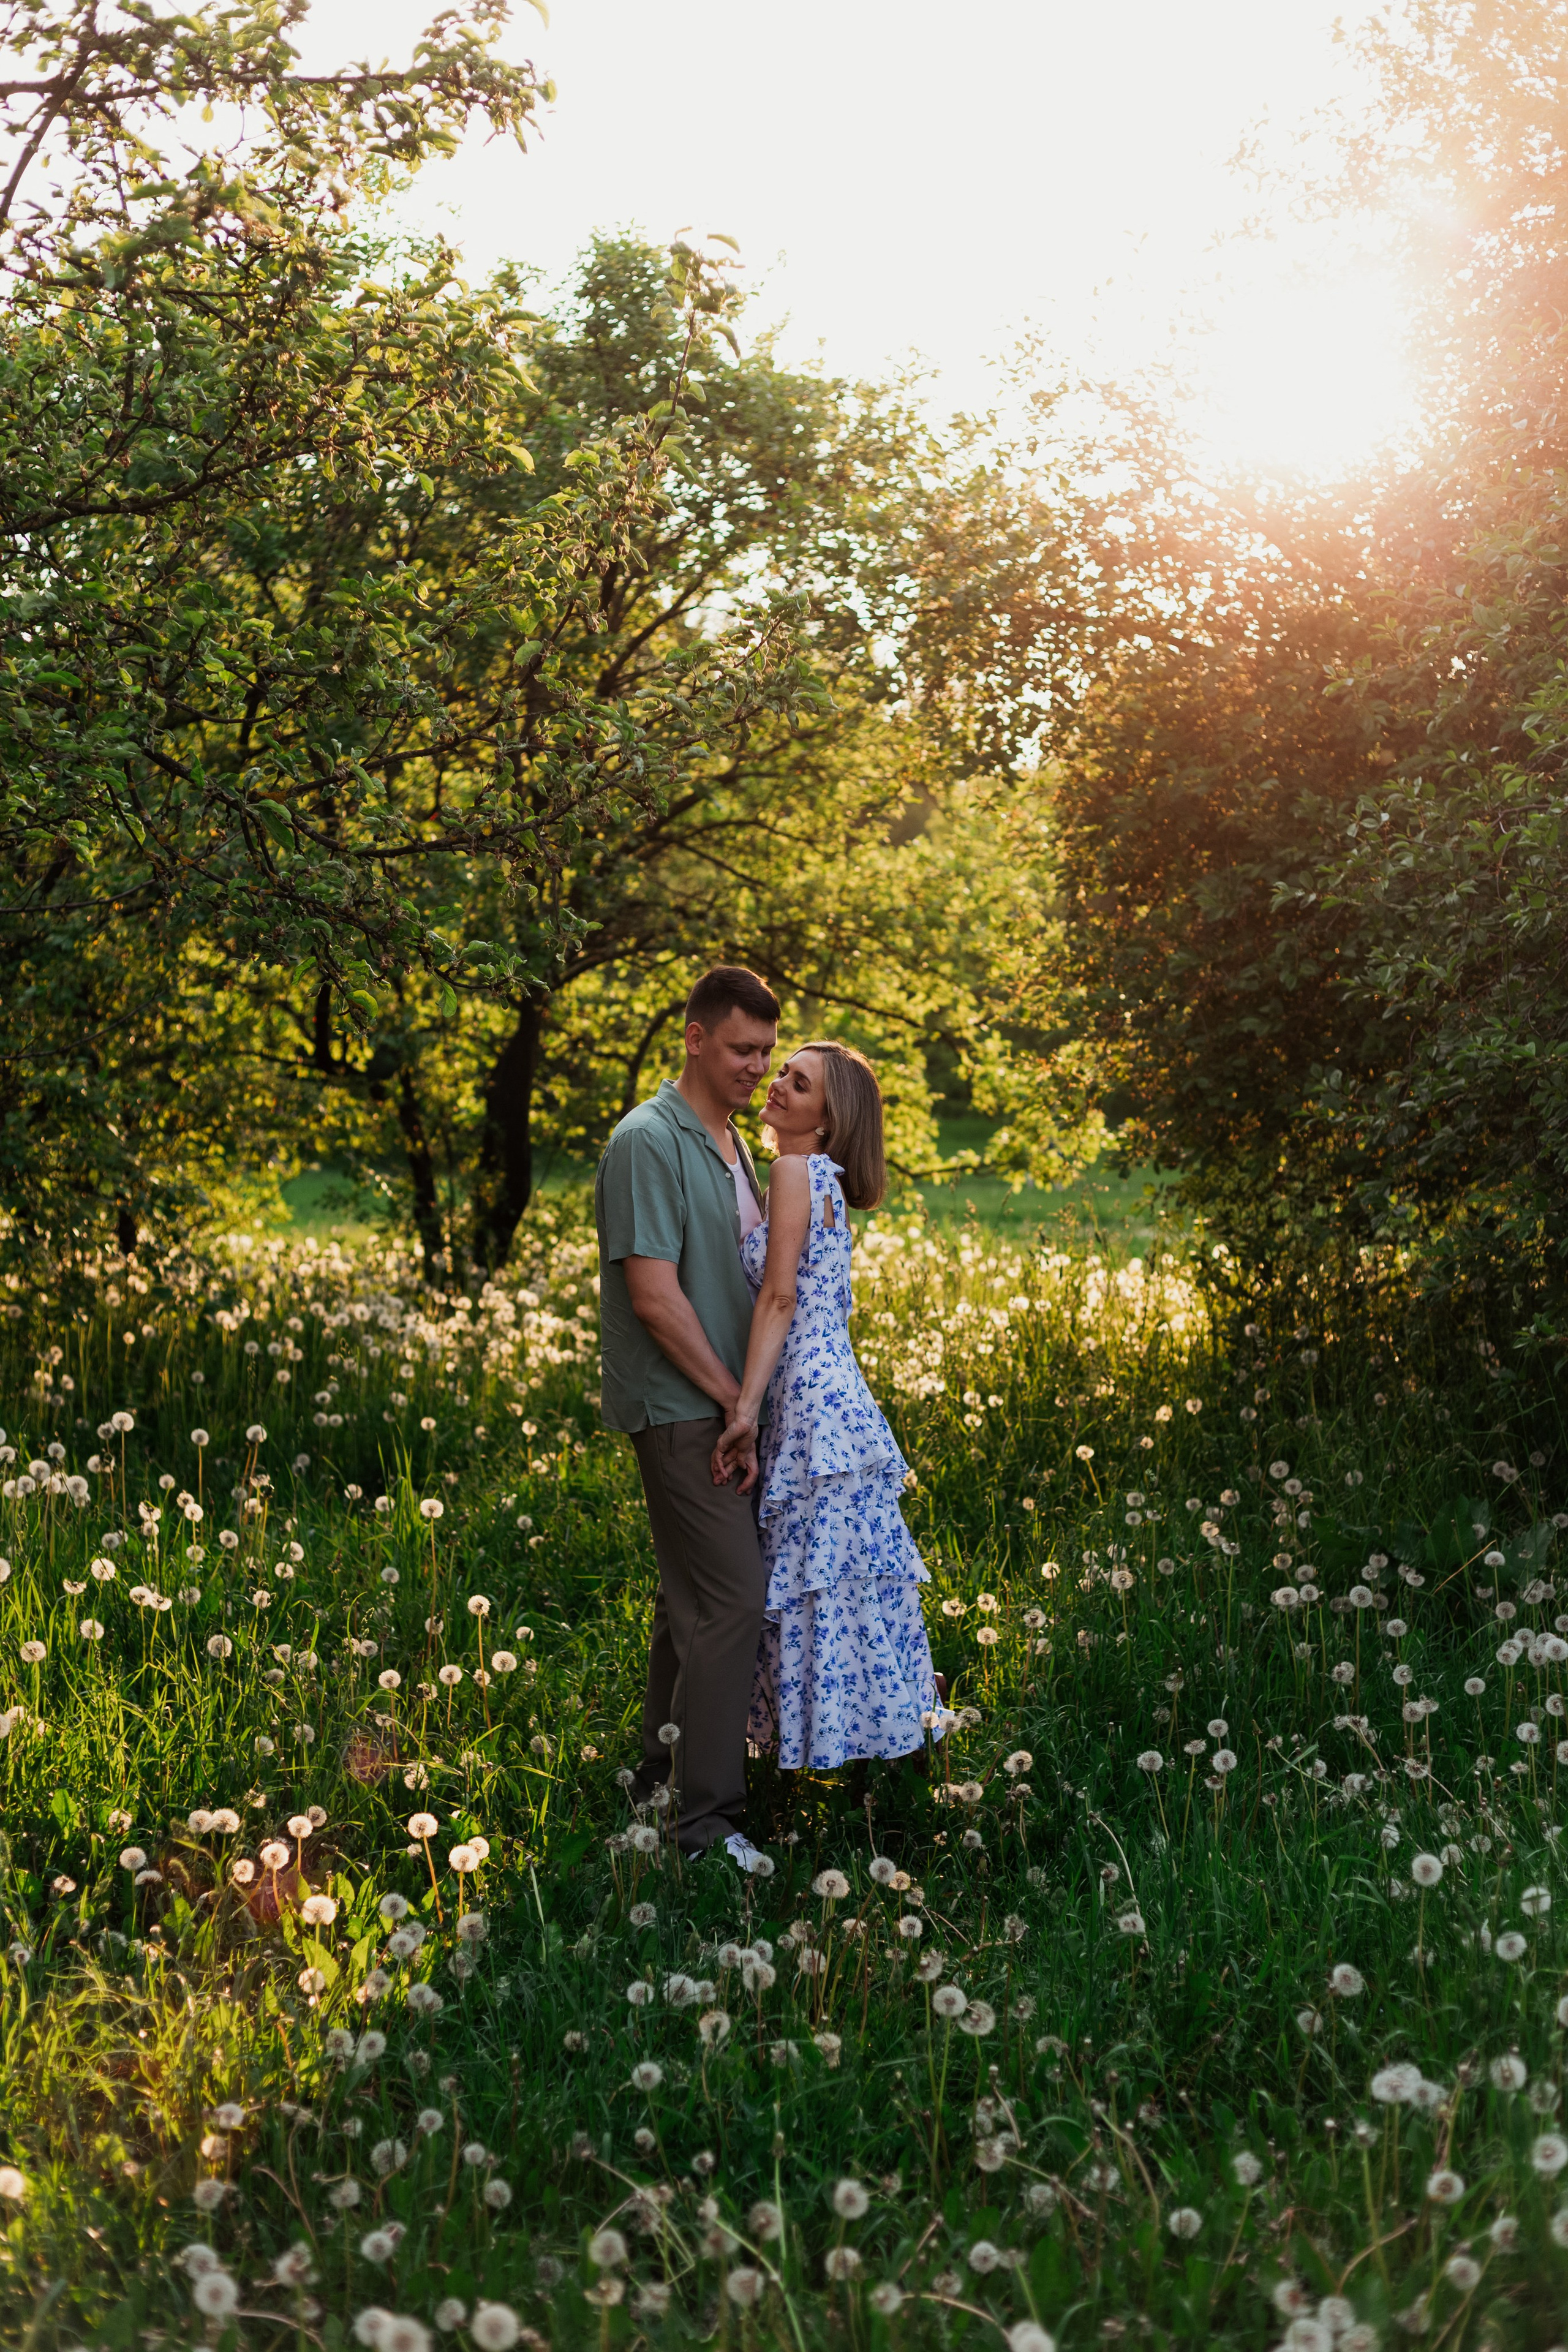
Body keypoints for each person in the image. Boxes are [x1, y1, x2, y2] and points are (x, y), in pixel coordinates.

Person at [715, 1040, 951, 1770]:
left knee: (824, 1582)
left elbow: (780, 1296)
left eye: (800, 1083)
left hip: (812, 1405)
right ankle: (896, 1740)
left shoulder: (794, 1170)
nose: (778, 1084)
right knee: (845, 1583)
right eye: (783, 1072)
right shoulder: (814, 1177)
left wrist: (743, 1411)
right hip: (829, 1400)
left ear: (827, 1118)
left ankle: (874, 1749)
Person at [595, 964, 780, 1865]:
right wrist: (728, 1402)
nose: (756, 1066)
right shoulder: (648, 1139)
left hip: (730, 1409)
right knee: (732, 1599)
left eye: (768, 1052)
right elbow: (656, 1296)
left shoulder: (735, 1143)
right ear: (697, 1039)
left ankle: (652, 1783)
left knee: (688, 1602)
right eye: (742, 1048)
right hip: (680, 1407)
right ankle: (702, 1830)